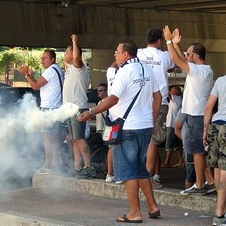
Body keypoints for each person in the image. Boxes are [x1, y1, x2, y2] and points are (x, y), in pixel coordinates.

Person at [78, 40, 161, 223]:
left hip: (127, 128)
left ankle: (134, 213)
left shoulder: (124, 72)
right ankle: (153, 207)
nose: (114, 54)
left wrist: (91, 112)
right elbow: (158, 96)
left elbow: (113, 99)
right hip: (144, 126)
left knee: (128, 172)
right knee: (140, 168)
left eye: (117, 52)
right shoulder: (147, 70)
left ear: (125, 54)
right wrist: (152, 119)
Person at [163, 25, 213, 194]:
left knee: (197, 153)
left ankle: (199, 185)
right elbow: (182, 58)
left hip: (194, 117)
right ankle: (210, 181)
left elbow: (178, 61)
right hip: (197, 116)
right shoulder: (205, 70)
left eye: (189, 53)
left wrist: (169, 41)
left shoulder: (198, 71)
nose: (186, 55)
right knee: (199, 152)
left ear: (196, 57)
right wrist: (176, 45)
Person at [137, 28, 175, 188]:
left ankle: (137, 175)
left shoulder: (138, 53)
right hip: (159, 103)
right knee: (153, 141)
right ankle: (148, 179)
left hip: (140, 101)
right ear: (159, 41)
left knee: (140, 139)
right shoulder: (165, 55)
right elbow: (173, 67)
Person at [19, 49, 64, 173]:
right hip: (55, 106)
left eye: (44, 58)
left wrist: (26, 75)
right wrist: (31, 76)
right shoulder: (57, 70)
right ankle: (55, 164)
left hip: (48, 107)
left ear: (52, 59)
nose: (42, 60)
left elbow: (35, 86)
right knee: (53, 136)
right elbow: (39, 85)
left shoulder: (50, 71)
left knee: (46, 137)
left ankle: (48, 165)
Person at [63, 34, 96, 179]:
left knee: (80, 138)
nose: (65, 54)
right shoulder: (69, 67)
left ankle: (89, 167)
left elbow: (77, 57)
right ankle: (77, 166)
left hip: (78, 107)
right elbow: (69, 60)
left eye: (67, 51)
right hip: (69, 108)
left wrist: (75, 42)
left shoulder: (79, 66)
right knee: (74, 138)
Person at [203, 75, 226, 226]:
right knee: (225, 170)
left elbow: (209, 106)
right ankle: (219, 213)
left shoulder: (221, 80)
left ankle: (221, 208)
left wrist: (205, 130)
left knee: (217, 167)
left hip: (215, 125)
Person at [162, 85, 183, 167]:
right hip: (174, 124)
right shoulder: (177, 99)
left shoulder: (176, 98)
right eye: (172, 89)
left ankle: (167, 162)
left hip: (171, 124)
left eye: (175, 89)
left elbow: (167, 93)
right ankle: (181, 160)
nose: (173, 90)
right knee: (178, 144)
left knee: (169, 144)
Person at [175, 108, 196, 189]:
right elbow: (176, 130)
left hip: (201, 148)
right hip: (189, 148)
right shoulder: (183, 110)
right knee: (191, 176)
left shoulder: (203, 107)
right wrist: (186, 143)